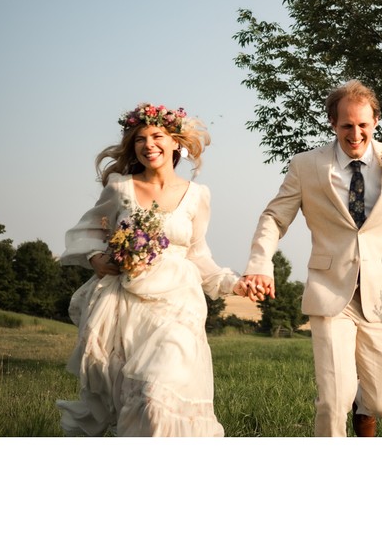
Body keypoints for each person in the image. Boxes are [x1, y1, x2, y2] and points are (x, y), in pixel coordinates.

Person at [241, 80, 382, 436]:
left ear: (375, 122)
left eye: (362, 125)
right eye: (346, 125)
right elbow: (274, 218)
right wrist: (260, 265)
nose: (355, 134)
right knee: (331, 401)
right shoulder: (306, 166)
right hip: (330, 292)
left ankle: (362, 405)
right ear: (332, 123)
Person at [57, 103, 261, 437]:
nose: (148, 144)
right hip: (127, 305)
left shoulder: (198, 195)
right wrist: (97, 258)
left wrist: (233, 284)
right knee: (129, 397)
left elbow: (198, 254)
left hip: (178, 305)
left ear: (176, 142)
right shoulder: (120, 189)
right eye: (139, 139)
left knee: (156, 391)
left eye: (156, 136)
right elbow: (86, 232)